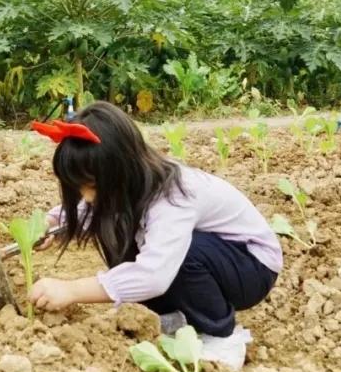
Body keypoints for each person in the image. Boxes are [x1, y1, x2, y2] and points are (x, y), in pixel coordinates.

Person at [28, 101, 281, 341]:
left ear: (121, 169)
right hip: (221, 260)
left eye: (91, 186)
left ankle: (215, 333)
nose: (86, 197)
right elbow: (89, 207)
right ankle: (171, 318)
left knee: (184, 253)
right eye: (79, 187)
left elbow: (154, 275)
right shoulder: (131, 184)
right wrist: (51, 222)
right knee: (114, 220)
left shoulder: (174, 196)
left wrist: (72, 291)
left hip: (251, 266)